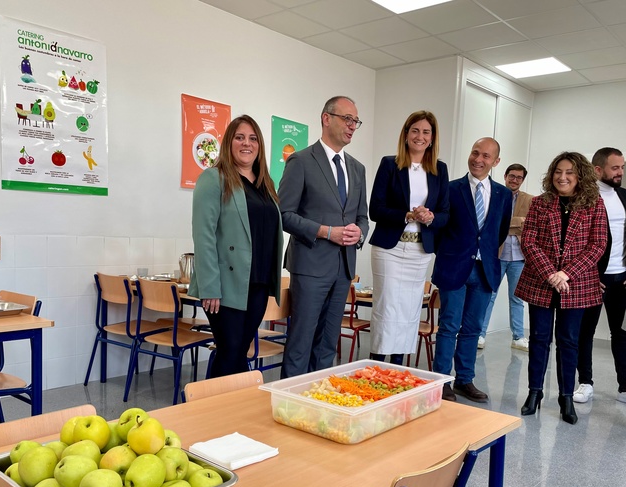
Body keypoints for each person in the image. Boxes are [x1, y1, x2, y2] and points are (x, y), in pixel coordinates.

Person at [279, 96, 369, 378]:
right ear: (326, 118)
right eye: (347, 119)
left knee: (328, 343)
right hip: (310, 266)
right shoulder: (301, 161)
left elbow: (362, 217)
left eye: (356, 121)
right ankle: (289, 407)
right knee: (301, 343)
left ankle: (318, 403)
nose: (352, 126)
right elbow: (284, 213)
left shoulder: (357, 168)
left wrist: (360, 232)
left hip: (343, 270)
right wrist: (325, 231)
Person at [515, 152, 607, 425]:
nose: (562, 177)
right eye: (558, 171)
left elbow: (598, 245)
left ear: (581, 176)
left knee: (568, 342)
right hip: (540, 282)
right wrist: (551, 274)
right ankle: (534, 393)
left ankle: (566, 397)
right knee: (539, 339)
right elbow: (528, 241)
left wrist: (566, 273)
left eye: (569, 172)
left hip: (576, 285)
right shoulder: (540, 203)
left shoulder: (594, 204)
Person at [190, 115, 284, 378]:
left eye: (253, 138)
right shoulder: (214, 178)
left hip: (258, 283)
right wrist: (210, 287)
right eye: (240, 137)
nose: (247, 143)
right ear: (229, 143)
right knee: (230, 350)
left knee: (238, 351)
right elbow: (203, 235)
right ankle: (209, 412)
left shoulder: (266, 184)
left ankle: (225, 411)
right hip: (224, 285)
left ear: (260, 146)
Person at [432, 138, 512, 403]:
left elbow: (498, 233)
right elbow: (439, 226)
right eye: (475, 153)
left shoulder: (502, 194)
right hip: (454, 267)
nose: (479, 159)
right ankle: (442, 381)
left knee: (473, 328)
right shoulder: (451, 188)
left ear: (496, 162)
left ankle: (465, 379)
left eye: (486, 156)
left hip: (484, 270)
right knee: (448, 325)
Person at [368, 111, 449, 365]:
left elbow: (445, 214)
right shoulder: (389, 164)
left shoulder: (440, 170)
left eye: (426, 132)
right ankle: (377, 364)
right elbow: (375, 209)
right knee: (387, 307)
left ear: (432, 138)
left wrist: (430, 217)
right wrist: (406, 214)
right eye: (415, 130)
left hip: (419, 251)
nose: (420, 136)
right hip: (390, 247)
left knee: (410, 309)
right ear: (405, 134)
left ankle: (397, 367)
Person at [574, 147, 626, 404]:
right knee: (586, 333)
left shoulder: (625, 196)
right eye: (615, 168)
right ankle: (585, 382)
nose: (620, 172)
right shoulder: (584, 199)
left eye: (622, 167)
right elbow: (578, 242)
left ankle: (624, 386)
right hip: (594, 278)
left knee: (622, 334)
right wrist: (589, 274)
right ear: (598, 170)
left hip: (622, 279)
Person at [478, 164, 535, 351]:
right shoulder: (497, 195)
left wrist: (514, 224)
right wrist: (518, 222)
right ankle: (480, 334)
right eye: (512, 176)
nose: (515, 180)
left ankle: (518, 337)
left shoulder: (531, 200)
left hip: (519, 257)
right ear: (505, 176)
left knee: (517, 298)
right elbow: (491, 224)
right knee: (489, 295)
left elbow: (530, 226)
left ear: (523, 179)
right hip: (497, 254)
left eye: (519, 177)